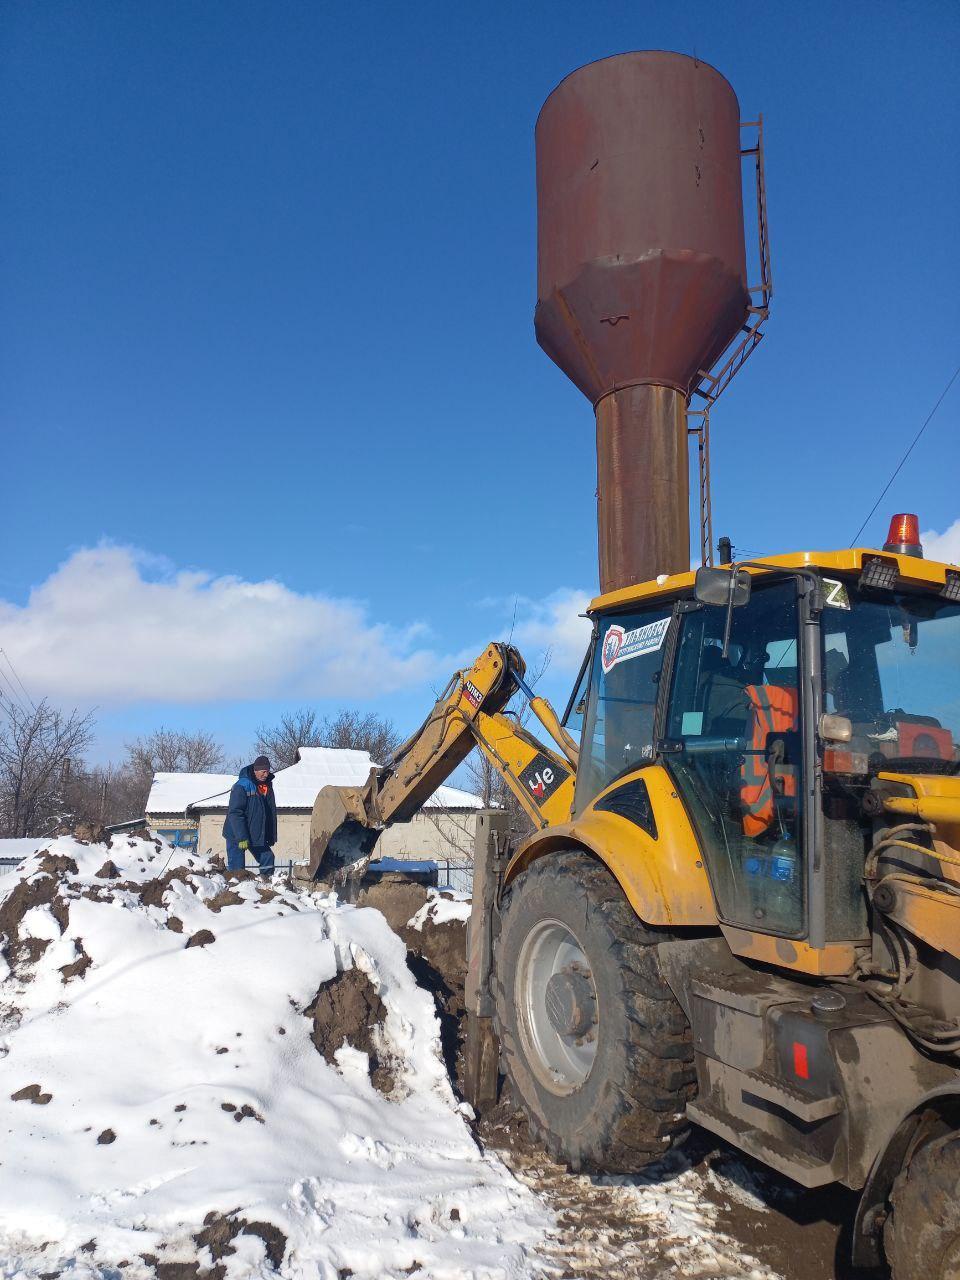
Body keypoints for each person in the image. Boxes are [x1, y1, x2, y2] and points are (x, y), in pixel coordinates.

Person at [223, 755, 277, 877]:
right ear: (255, 770)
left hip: (255, 833)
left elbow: (268, 813)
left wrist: (269, 836)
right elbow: (235, 813)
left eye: (268, 771)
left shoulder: (267, 786)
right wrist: (241, 837)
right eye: (263, 772)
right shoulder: (241, 786)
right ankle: (236, 890)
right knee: (238, 870)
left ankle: (267, 883)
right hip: (236, 834)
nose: (266, 774)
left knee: (267, 858)